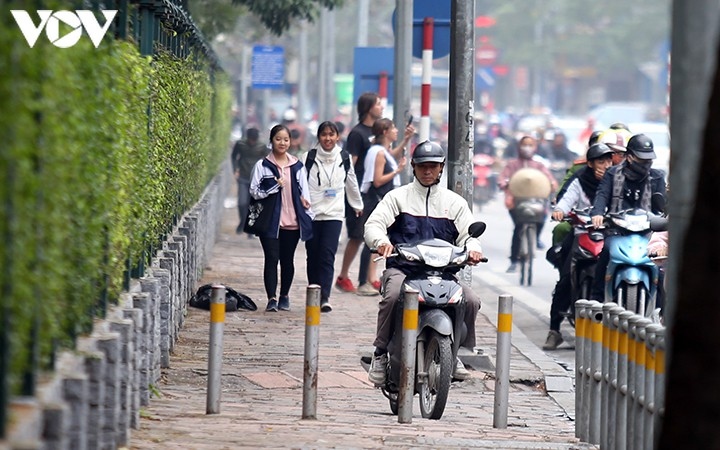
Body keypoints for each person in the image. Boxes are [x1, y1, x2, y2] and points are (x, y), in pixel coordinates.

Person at [364, 141, 484, 385]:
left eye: (433, 166)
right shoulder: (397, 198)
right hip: (403, 270)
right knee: (392, 295)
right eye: (422, 166)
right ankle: (380, 354)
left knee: (470, 300)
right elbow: (374, 224)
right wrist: (382, 241)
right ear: (413, 167)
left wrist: (473, 251)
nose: (427, 171)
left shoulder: (455, 203)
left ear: (441, 168)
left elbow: (469, 236)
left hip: (444, 274)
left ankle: (456, 351)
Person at [335, 92, 414, 293]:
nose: (381, 107)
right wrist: (346, 189)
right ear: (368, 107)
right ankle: (346, 276)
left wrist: (405, 142)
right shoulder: (357, 134)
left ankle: (364, 278)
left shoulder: (378, 137)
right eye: (378, 104)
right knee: (357, 236)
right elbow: (350, 164)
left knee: (368, 235)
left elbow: (386, 156)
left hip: (374, 192)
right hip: (362, 193)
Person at [543, 143, 614, 350]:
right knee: (565, 279)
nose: (605, 165)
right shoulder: (579, 180)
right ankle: (554, 329)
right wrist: (560, 211)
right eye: (601, 161)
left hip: (607, 236)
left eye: (609, 161)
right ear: (590, 163)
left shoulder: (616, 181)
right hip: (581, 234)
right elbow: (565, 201)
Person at [589, 133, 667, 301]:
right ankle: (596, 301)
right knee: (605, 255)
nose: (645, 163)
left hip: (647, 232)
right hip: (617, 230)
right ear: (630, 157)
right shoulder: (612, 174)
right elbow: (602, 196)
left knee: (659, 265)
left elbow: (662, 206)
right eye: (641, 159)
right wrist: (597, 214)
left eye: (648, 160)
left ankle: (662, 309)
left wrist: (664, 219)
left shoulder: (657, 176)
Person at [249, 124, 314, 312]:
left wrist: (307, 207)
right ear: (271, 141)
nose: (282, 143)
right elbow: (254, 191)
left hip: (292, 221)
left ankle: (284, 295)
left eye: (286, 139)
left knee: (287, 259)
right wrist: (274, 187)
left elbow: (305, 191)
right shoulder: (262, 165)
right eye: (278, 139)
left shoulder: (297, 166)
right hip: (270, 221)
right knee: (271, 258)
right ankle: (271, 298)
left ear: (290, 142)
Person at [302, 121, 363, 312]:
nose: (328, 138)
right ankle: (314, 291)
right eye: (324, 135)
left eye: (331, 134)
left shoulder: (343, 157)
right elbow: (300, 184)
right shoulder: (308, 158)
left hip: (334, 215)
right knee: (313, 255)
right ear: (319, 137)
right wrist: (301, 201)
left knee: (327, 255)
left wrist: (357, 204)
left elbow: (351, 182)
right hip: (311, 214)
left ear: (337, 137)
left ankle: (324, 297)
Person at [356, 118, 408, 296]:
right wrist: (397, 172)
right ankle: (363, 281)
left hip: (376, 198)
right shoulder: (378, 153)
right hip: (375, 199)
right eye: (393, 128)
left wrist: (406, 141)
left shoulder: (380, 150)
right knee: (370, 240)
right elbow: (377, 180)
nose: (396, 130)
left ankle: (370, 279)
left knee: (377, 239)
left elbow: (391, 155)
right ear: (385, 132)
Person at [498, 135, 558, 272]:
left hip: (535, 201)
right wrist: (505, 184)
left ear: (535, 147)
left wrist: (552, 184)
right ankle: (514, 261)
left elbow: (550, 179)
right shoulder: (512, 165)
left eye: (530, 145)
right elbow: (502, 178)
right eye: (524, 144)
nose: (527, 147)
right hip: (517, 202)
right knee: (519, 227)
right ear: (519, 146)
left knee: (542, 218)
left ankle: (535, 238)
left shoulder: (539, 165)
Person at [232, 127, 267, 234]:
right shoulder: (240, 144)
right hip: (243, 176)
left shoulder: (261, 146)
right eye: (251, 140)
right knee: (242, 203)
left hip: (256, 178)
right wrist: (236, 169)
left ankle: (250, 227)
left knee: (252, 204)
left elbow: (267, 160)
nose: (252, 142)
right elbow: (233, 157)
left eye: (254, 140)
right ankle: (243, 222)